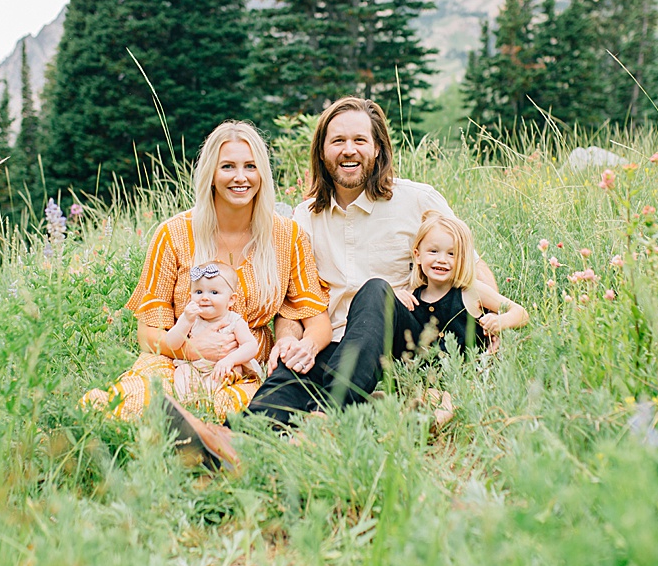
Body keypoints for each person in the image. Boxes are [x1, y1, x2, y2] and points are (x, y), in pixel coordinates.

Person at [169, 98, 501, 466]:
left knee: (375, 290)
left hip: (408, 339)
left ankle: (327, 421)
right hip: (338, 343)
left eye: (360, 140)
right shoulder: (305, 218)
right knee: (293, 366)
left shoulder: (416, 199)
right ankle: (236, 443)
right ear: (323, 152)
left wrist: (492, 319)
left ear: (377, 149)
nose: (349, 150)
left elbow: (471, 262)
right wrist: (289, 341)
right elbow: (295, 306)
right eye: (337, 141)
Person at [84, 121, 330, 427]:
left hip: (243, 368)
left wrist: (302, 346)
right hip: (174, 361)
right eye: (228, 166)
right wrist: (192, 349)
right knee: (135, 404)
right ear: (211, 174)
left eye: (250, 166)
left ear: (262, 174)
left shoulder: (288, 236)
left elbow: (316, 319)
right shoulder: (173, 235)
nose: (240, 178)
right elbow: (147, 335)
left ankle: (206, 453)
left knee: (238, 418)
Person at [404, 210, 529, 356]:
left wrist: (500, 321)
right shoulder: (413, 297)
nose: (442, 259)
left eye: (452, 254)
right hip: (430, 374)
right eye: (433, 251)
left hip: (472, 372)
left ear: (463, 259)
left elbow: (521, 313)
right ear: (418, 256)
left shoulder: (471, 291)